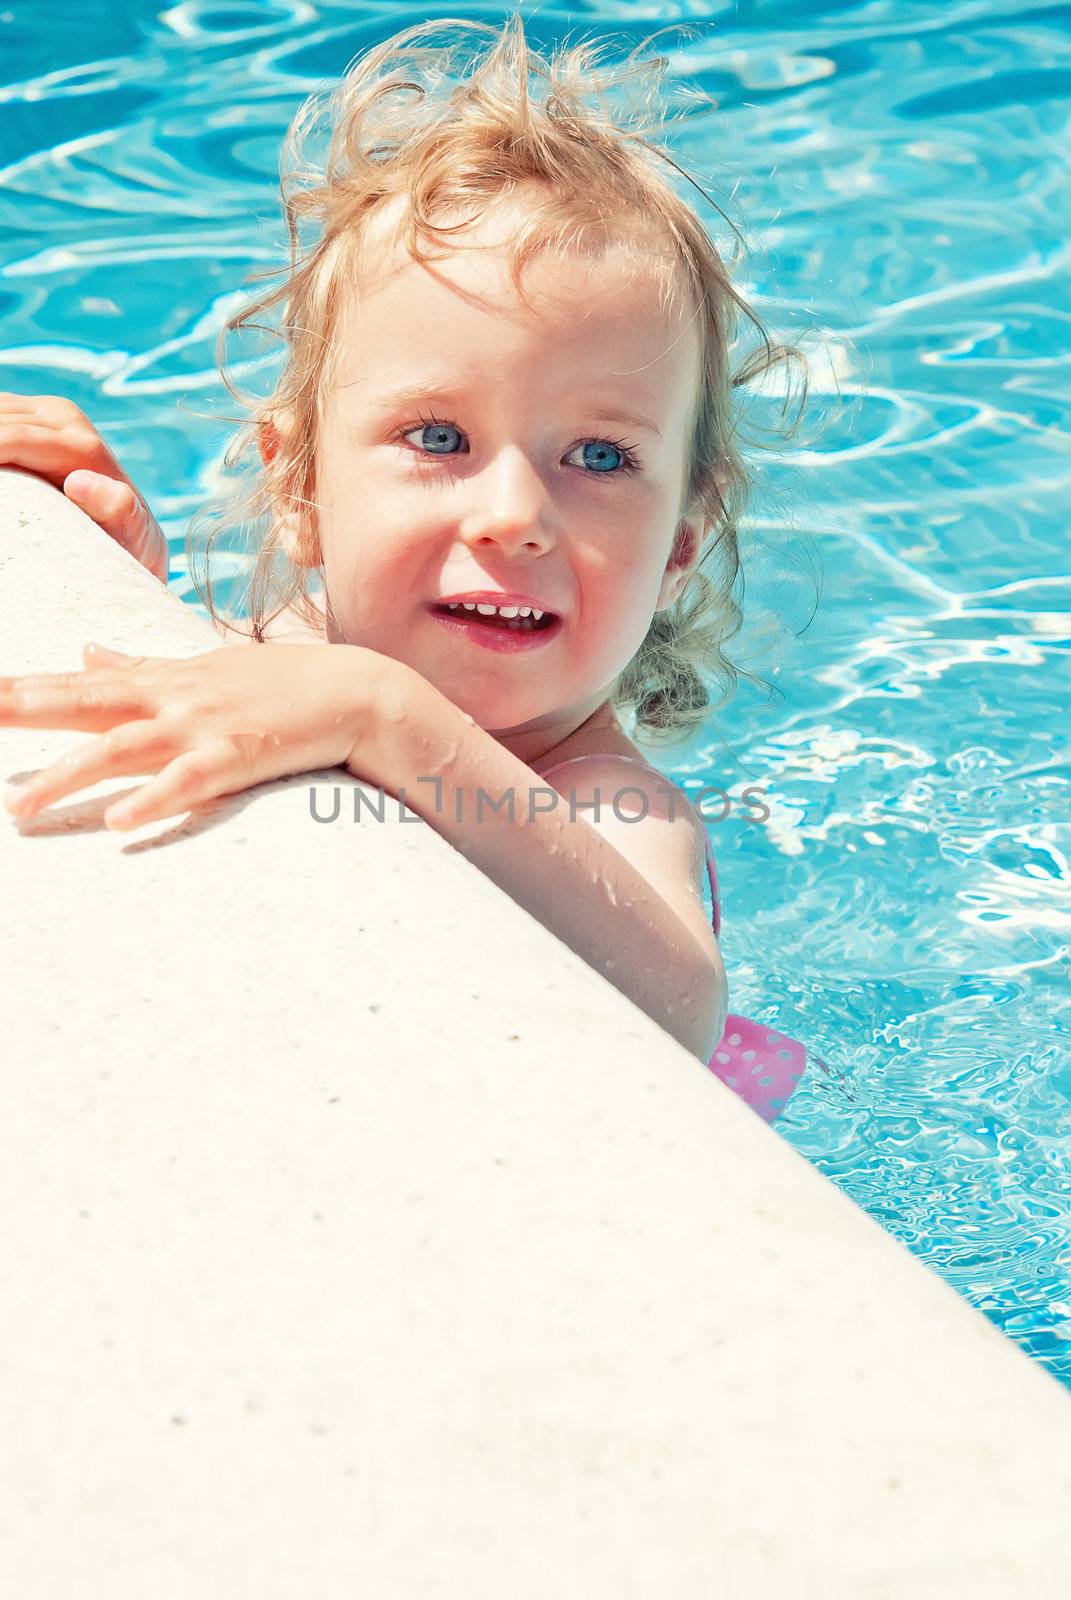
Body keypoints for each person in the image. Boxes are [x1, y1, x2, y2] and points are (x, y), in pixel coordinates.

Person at [0, 15, 816, 1121]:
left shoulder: (608, 799)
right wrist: (112, 568)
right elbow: (219, 693)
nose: (516, 515)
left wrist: (389, 717)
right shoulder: (304, 655)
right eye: (439, 439)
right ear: (300, 491)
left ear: (677, 545)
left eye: (599, 456)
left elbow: (676, 1006)